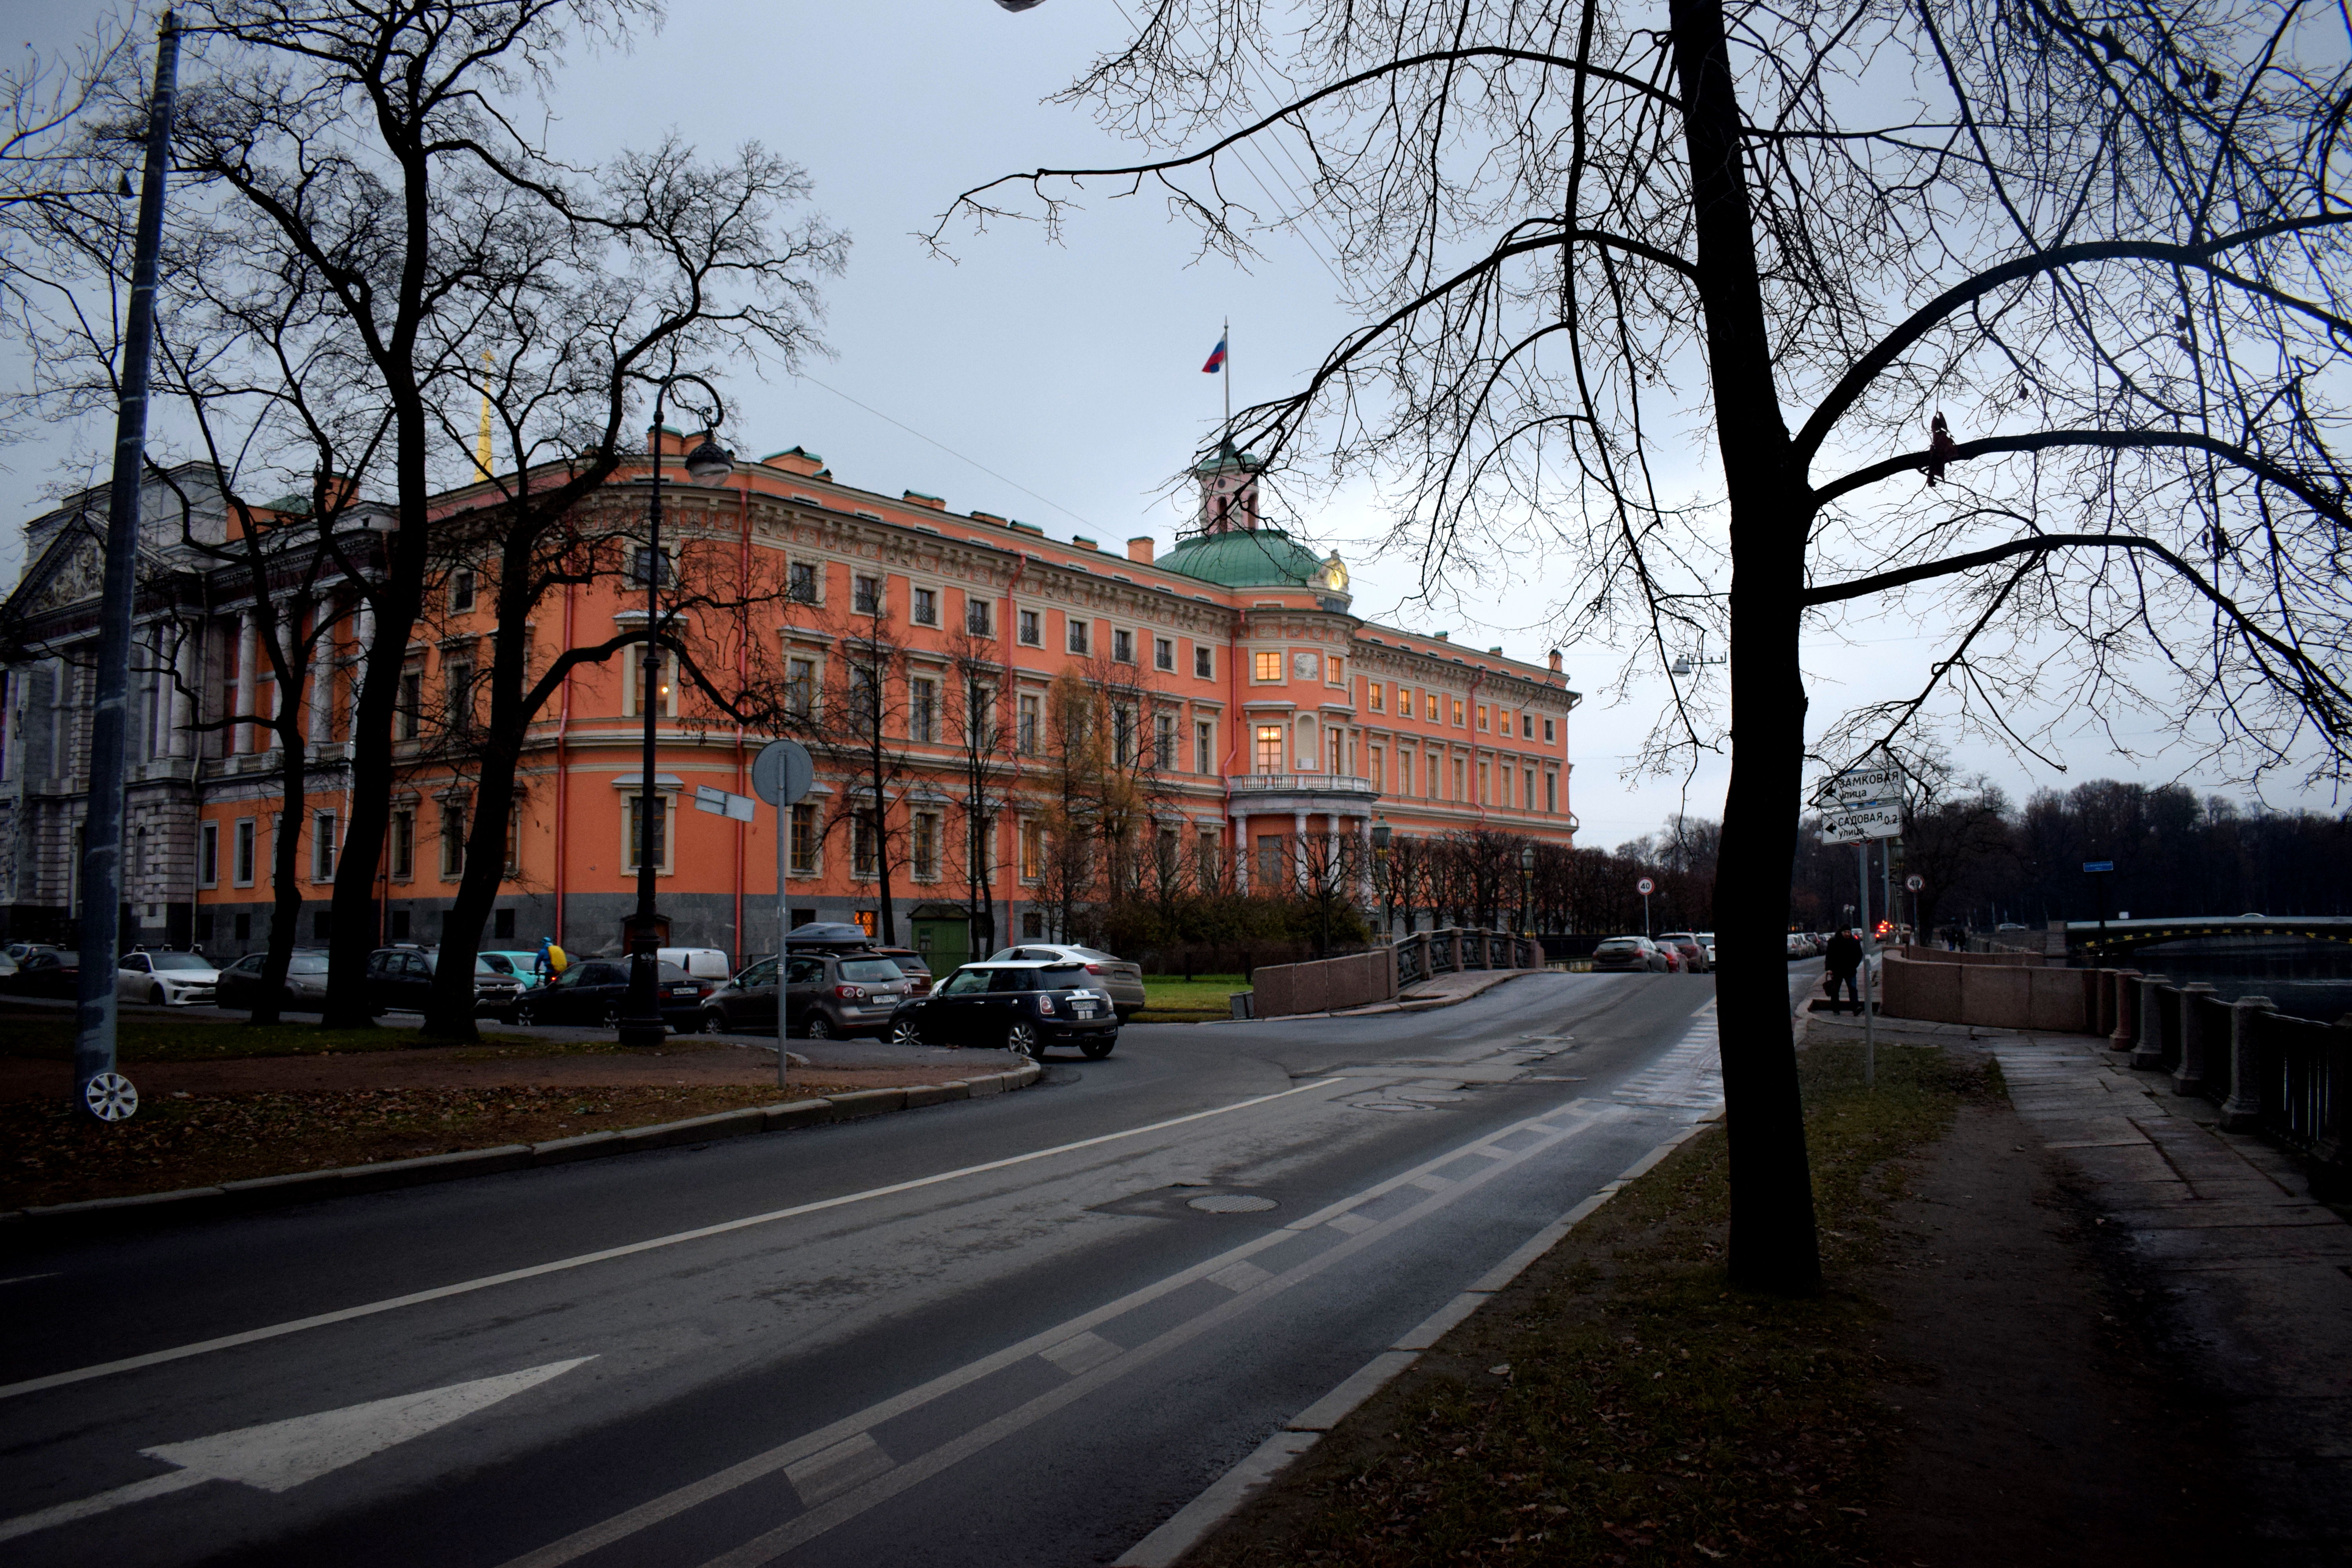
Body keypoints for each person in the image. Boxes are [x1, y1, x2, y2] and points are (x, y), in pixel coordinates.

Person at [1824, 927, 1864, 1013]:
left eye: (1849, 932)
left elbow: (1859, 955)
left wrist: (1854, 965)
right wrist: (1829, 969)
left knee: (1853, 989)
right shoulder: (1834, 941)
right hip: (1837, 970)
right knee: (1835, 990)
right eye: (1845, 932)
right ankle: (1836, 1008)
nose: (1847, 934)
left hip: (1850, 970)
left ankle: (1856, 1008)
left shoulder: (1854, 942)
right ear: (1841, 932)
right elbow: (1829, 956)